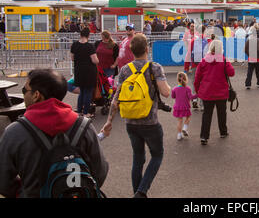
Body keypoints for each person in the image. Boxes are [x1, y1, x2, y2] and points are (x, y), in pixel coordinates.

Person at [0, 69, 108, 197]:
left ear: (36, 95)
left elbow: (3, 182)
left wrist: (25, 191)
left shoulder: (15, 132)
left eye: (24, 91)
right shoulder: (84, 126)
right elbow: (100, 172)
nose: (23, 94)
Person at [101, 34, 171, 198]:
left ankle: (137, 193)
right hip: (150, 122)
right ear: (147, 49)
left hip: (131, 123)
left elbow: (116, 98)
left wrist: (109, 121)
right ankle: (141, 192)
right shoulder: (155, 67)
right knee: (157, 155)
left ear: (132, 52)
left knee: (138, 158)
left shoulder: (125, 70)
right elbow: (166, 92)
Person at [194, 39, 235, 146]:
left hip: (207, 92)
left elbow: (197, 77)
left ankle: (204, 136)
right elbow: (231, 73)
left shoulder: (203, 61)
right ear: (221, 49)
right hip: (221, 92)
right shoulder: (223, 60)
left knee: (207, 114)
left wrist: (198, 90)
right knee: (222, 113)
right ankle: (223, 132)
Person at [70, 27, 99, 117]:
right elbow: (95, 60)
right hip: (89, 72)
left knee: (82, 91)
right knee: (88, 92)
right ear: (88, 35)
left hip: (78, 70)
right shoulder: (90, 46)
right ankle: (86, 113)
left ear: (80, 34)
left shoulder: (74, 45)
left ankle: (79, 111)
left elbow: (72, 58)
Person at [171, 72, 197, 141]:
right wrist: (198, 94)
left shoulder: (174, 89)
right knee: (188, 118)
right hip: (185, 107)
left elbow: (173, 96)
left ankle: (179, 135)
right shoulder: (187, 89)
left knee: (179, 121)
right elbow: (191, 97)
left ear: (177, 79)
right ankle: (185, 128)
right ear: (186, 79)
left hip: (177, 107)